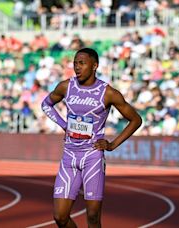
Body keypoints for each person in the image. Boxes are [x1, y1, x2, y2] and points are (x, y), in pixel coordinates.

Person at [41, 48, 142, 227]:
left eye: (82, 63)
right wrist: (64, 125)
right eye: (75, 63)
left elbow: (135, 120)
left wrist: (112, 145)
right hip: (69, 157)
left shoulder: (108, 92)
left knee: (93, 217)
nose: (77, 67)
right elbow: (46, 104)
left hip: (92, 157)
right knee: (60, 217)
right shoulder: (66, 86)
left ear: (94, 66)